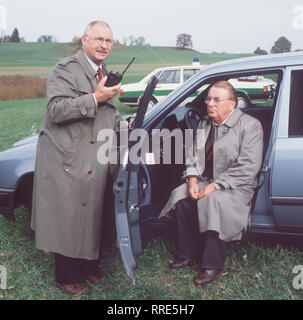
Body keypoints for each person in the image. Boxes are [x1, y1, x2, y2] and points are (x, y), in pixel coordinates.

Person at [31, 20, 121, 295]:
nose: (104, 45)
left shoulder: (103, 71)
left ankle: (88, 268)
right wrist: (94, 98)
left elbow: (105, 111)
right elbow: (56, 110)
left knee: (91, 212)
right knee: (68, 216)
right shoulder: (66, 69)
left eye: (108, 40)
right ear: (84, 41)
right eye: (98, 39)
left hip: (95, 155)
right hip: (67, 155)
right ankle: (66, 275)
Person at [159, 80, 264, 286]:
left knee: (214, 201)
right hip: (208, 180)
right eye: (208, 98)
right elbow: (193, 157)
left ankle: (211, 264)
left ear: (232, 104)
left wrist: (216, 185)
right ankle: (186, 253)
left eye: (217, 99)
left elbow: (249, 166)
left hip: (236, 185)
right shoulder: (205, 123)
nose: (210, 103)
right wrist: (191, 179)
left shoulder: (250, 126)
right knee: (181, 196)